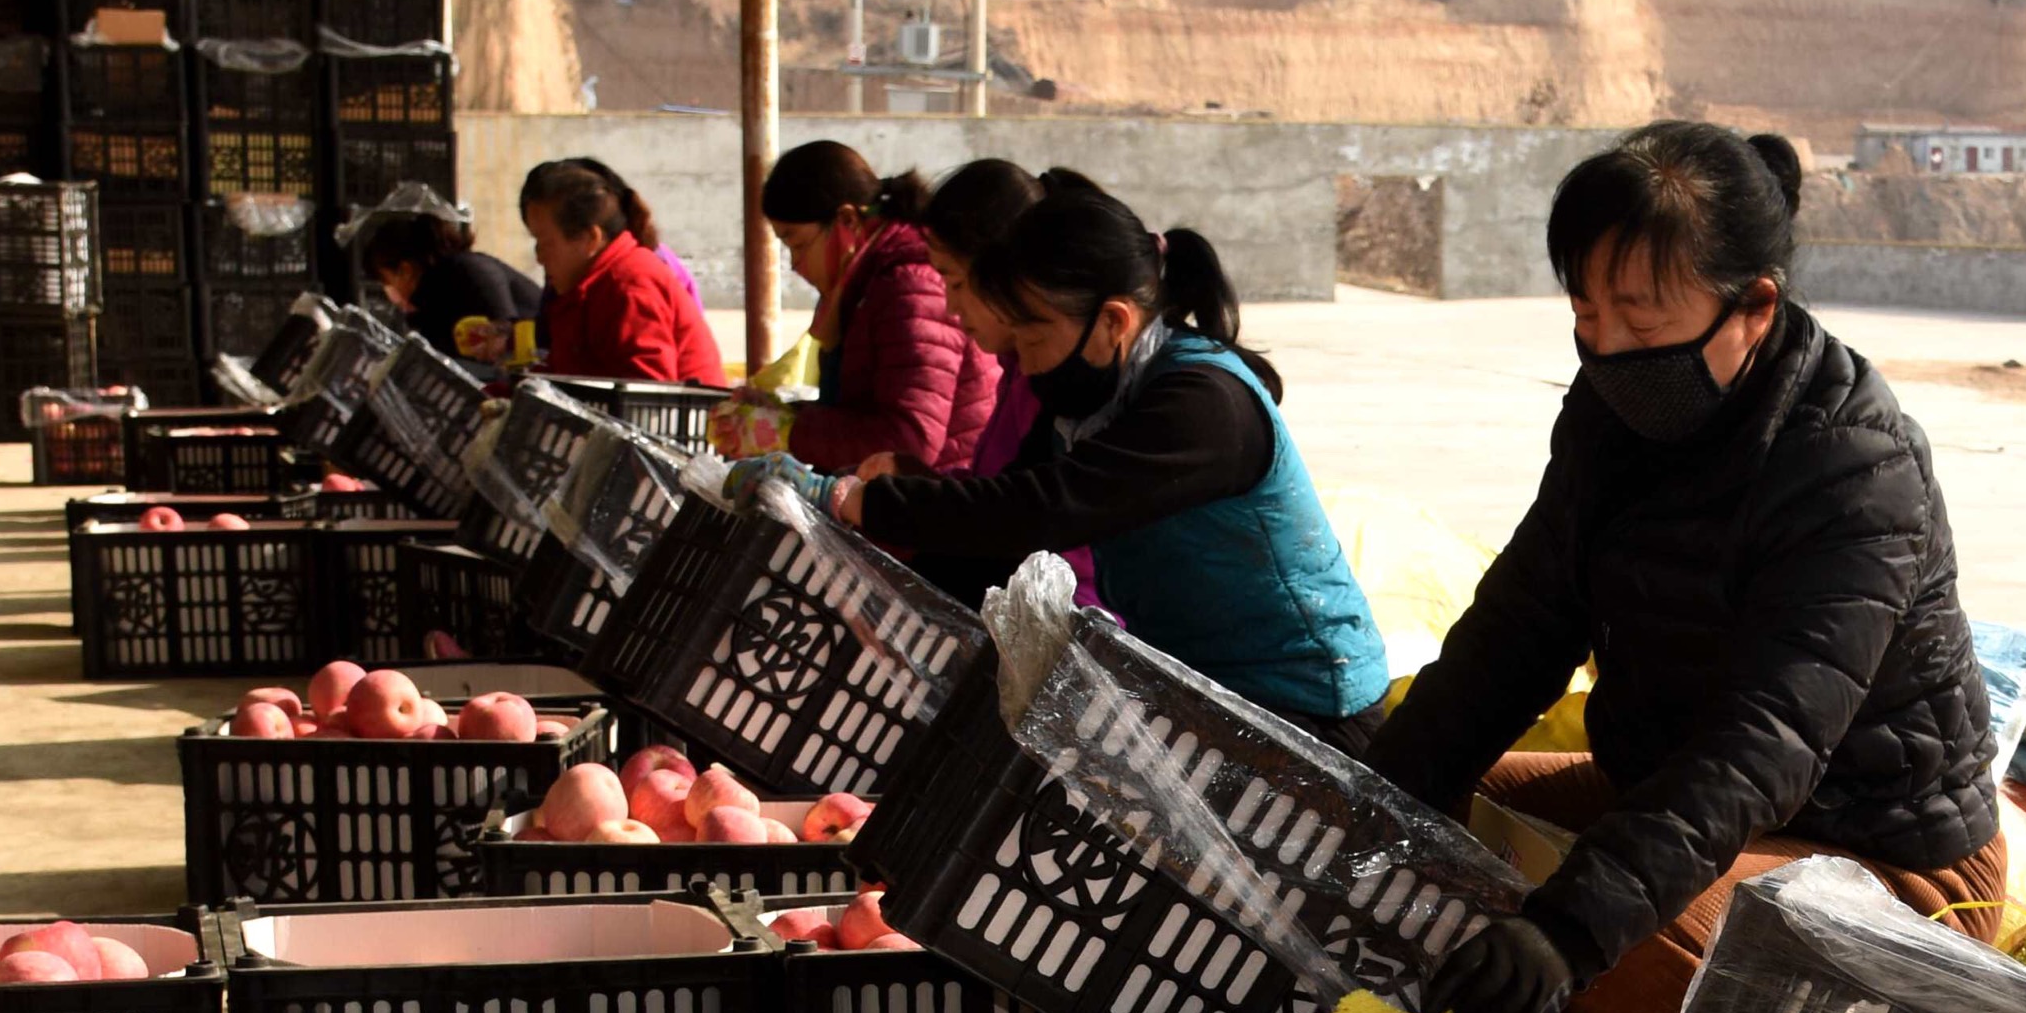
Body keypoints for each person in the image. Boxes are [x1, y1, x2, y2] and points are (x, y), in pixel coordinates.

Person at [1357, 122, 2004, 1013]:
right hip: (1666, 790)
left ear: (1754, 308)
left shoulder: (1854, 467)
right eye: (1586, 315)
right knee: (1410, 835)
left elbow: (1762, 746)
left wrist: (1567, 932)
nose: (1609, 349)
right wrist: (1374, 798)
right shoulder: (1611, 415)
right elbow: (1523, 623)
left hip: (1883, 850)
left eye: (1644, 321)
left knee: (1612, 958)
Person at [831, 180, 1382, 721]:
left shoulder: (1202, 403)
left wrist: (872, 505)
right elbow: (1002, 531)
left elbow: (1044, 508)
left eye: (1034, 339)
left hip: (1307, 707)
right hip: (1209, 693)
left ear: (1113, 321)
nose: (1026, 361)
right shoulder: (1096, 399)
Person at [763, 141, 1004, 479]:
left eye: (798, 244)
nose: (795, 264)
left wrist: (788, 431)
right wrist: (786, 416)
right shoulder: (864, 283)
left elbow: (910, 441)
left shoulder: (910, 285)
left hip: (936, 504)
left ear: (847, 220)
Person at [517, 157, 724, 384]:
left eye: (545, 243)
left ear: (590, 239)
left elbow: (647, 395)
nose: (539, 257)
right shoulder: (583, 288)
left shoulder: (630, 283)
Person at [347, 185, 540, 364]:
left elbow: (505, 333)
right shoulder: (433, 300)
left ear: (405, 270)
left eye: (386, 281)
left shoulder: (470, 271)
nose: (388, 292)